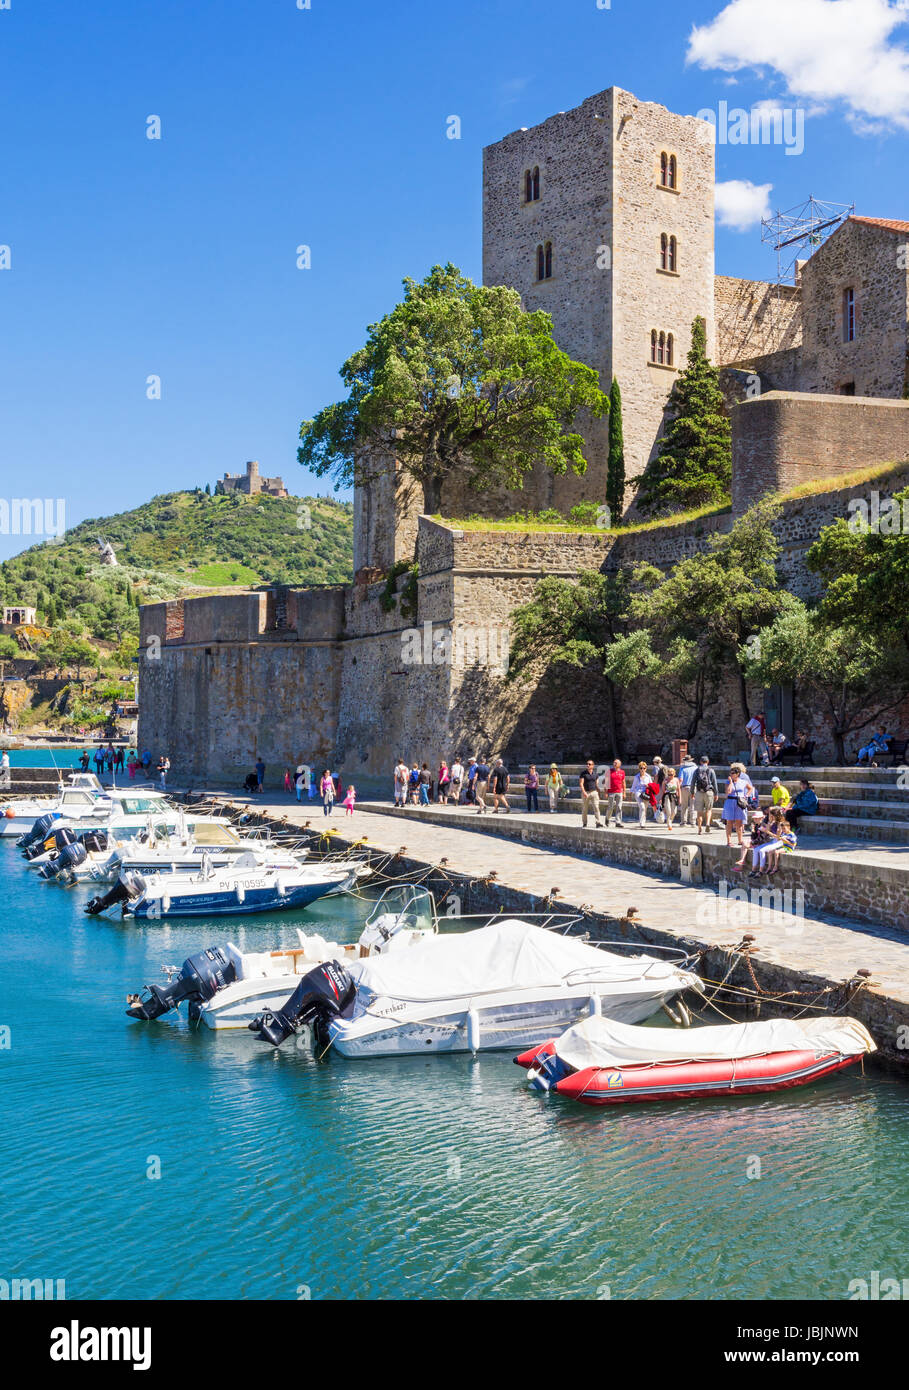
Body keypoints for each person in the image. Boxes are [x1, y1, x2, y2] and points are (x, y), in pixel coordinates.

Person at [723, 762, 750, 851]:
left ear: (737, 774)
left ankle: (740, 840)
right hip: (730, 802)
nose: (731, 774)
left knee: (739, 822)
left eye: (733, 773)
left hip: (739, 802)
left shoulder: (743, 782)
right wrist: (731, 782)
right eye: (730, 773)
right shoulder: (728, 782)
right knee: (729, 822)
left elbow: (751, 788)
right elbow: (728, 792)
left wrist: (746, 795)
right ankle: (729, 841)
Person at [693, 755, 719, 833]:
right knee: (709, 809)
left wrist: (692, 792)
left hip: (699, 792)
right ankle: (707, 823)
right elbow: (714, 782)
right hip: (709, 792)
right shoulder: (711, 770)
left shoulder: (697, 770)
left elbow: (693, 782)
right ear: (707, 762)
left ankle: (699, 828)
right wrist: (716, 793)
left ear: (700, 762)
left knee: (699, 812)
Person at [579, 758, 603, 829]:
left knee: (596, 807)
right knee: (585, 809)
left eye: (589, 764)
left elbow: (597, 784)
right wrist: (584, 792)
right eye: (587, 764)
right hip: (586, 792)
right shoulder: (583, 773)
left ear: (593, 765)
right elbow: (581, 783)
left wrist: (598, 792)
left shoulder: (595, 774)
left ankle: (598, 822)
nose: (588, 765)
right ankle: (584, 823)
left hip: (594, 792)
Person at [677, 753, 697, 826]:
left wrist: (678, 789)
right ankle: (693, 822)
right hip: (693, 787)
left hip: (685, 788)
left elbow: (680, 779)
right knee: (693, 805)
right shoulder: (695, 768)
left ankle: (683, 822)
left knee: (684, 805)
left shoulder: (682, 768)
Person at [604, 759, 626, 827]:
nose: (614, 764)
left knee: (619, 807)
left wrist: (624, 792)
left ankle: (618, 822)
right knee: (610, 807)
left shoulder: (622, 772)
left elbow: (623, 782)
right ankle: (607, 819)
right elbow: (606, 783)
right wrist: (606, 792)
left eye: (616, 763)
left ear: (620, 764)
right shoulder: (609, 771)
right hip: (611, 792)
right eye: (614, 762)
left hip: (619, 792)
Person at [631, 761, 652, 827]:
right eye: (641, 768)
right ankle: (641, 822)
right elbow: (633, 786)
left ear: (646, 768)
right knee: (642, 807)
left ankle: (643, 822)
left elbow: (651, 785)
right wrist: (631, 793)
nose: (642, 769)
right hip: (638, 793)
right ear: (639, 768)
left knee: (644, 808)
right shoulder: (636, 777)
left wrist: (648, 785)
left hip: (646, 793)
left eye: (644, 768)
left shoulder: (648, 776)